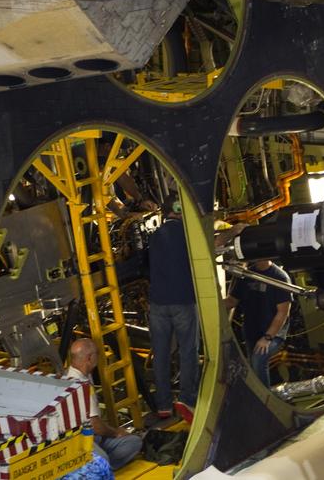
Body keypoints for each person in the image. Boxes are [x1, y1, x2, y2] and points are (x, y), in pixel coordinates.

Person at [147, 199, 199, 423]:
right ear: (179, 211)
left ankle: (164, 405)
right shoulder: (187, 235)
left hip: (157, 304)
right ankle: (187, 399)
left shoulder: (154, 236)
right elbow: (211, 246)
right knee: (188, 351)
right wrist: (233, 232)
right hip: (183, 302)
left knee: (161, 355)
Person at [64, 338, 143, 469]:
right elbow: (95, 426)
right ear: (89, 358)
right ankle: (99, 468)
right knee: (103, 459)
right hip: (80, 440)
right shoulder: (80, 385)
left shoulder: (80, 374)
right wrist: (116, 433)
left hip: (95, 438)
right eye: (97, 354)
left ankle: (97, 468)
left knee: (134, 442)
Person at [225, 259, 292, 387]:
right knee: (253, 367)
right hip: (252, 331)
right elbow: (232, 301)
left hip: (273, 334)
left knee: (258, 358)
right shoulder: (246, 275)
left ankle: (264, 396)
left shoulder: (279, 277)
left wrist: (267, 338)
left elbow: (283, 313)